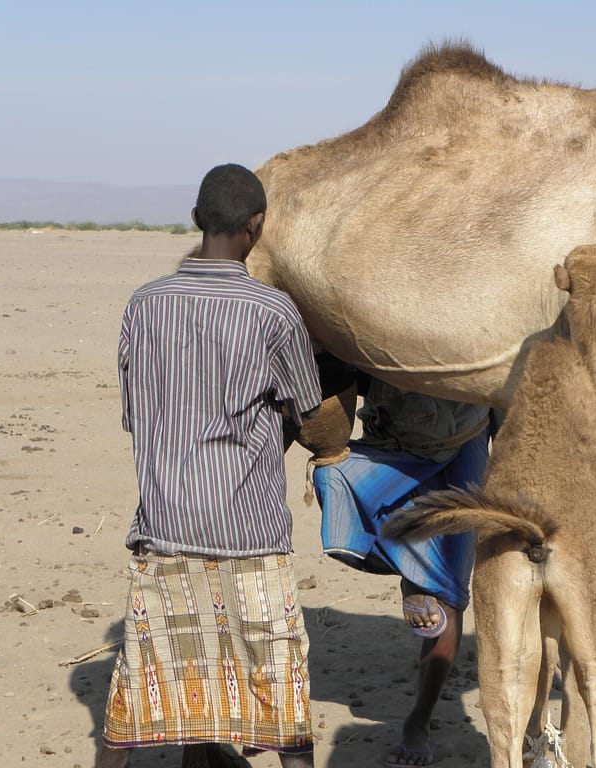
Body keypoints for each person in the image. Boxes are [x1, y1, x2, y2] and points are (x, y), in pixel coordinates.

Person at [96, 164, 321, 768]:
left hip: (164, 524)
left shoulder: (144, 305)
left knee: (144, 676)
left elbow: (135, 412)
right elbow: (310, 415)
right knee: (279, 686)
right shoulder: (273, 313)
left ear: (196, 220)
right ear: (256, 228)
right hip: (248, 531)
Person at [311, 376, 491, 768]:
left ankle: (418, 720)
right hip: (393, 436)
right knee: (332, 476)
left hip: (465, 435)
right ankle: (409, 572)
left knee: (448, 593)